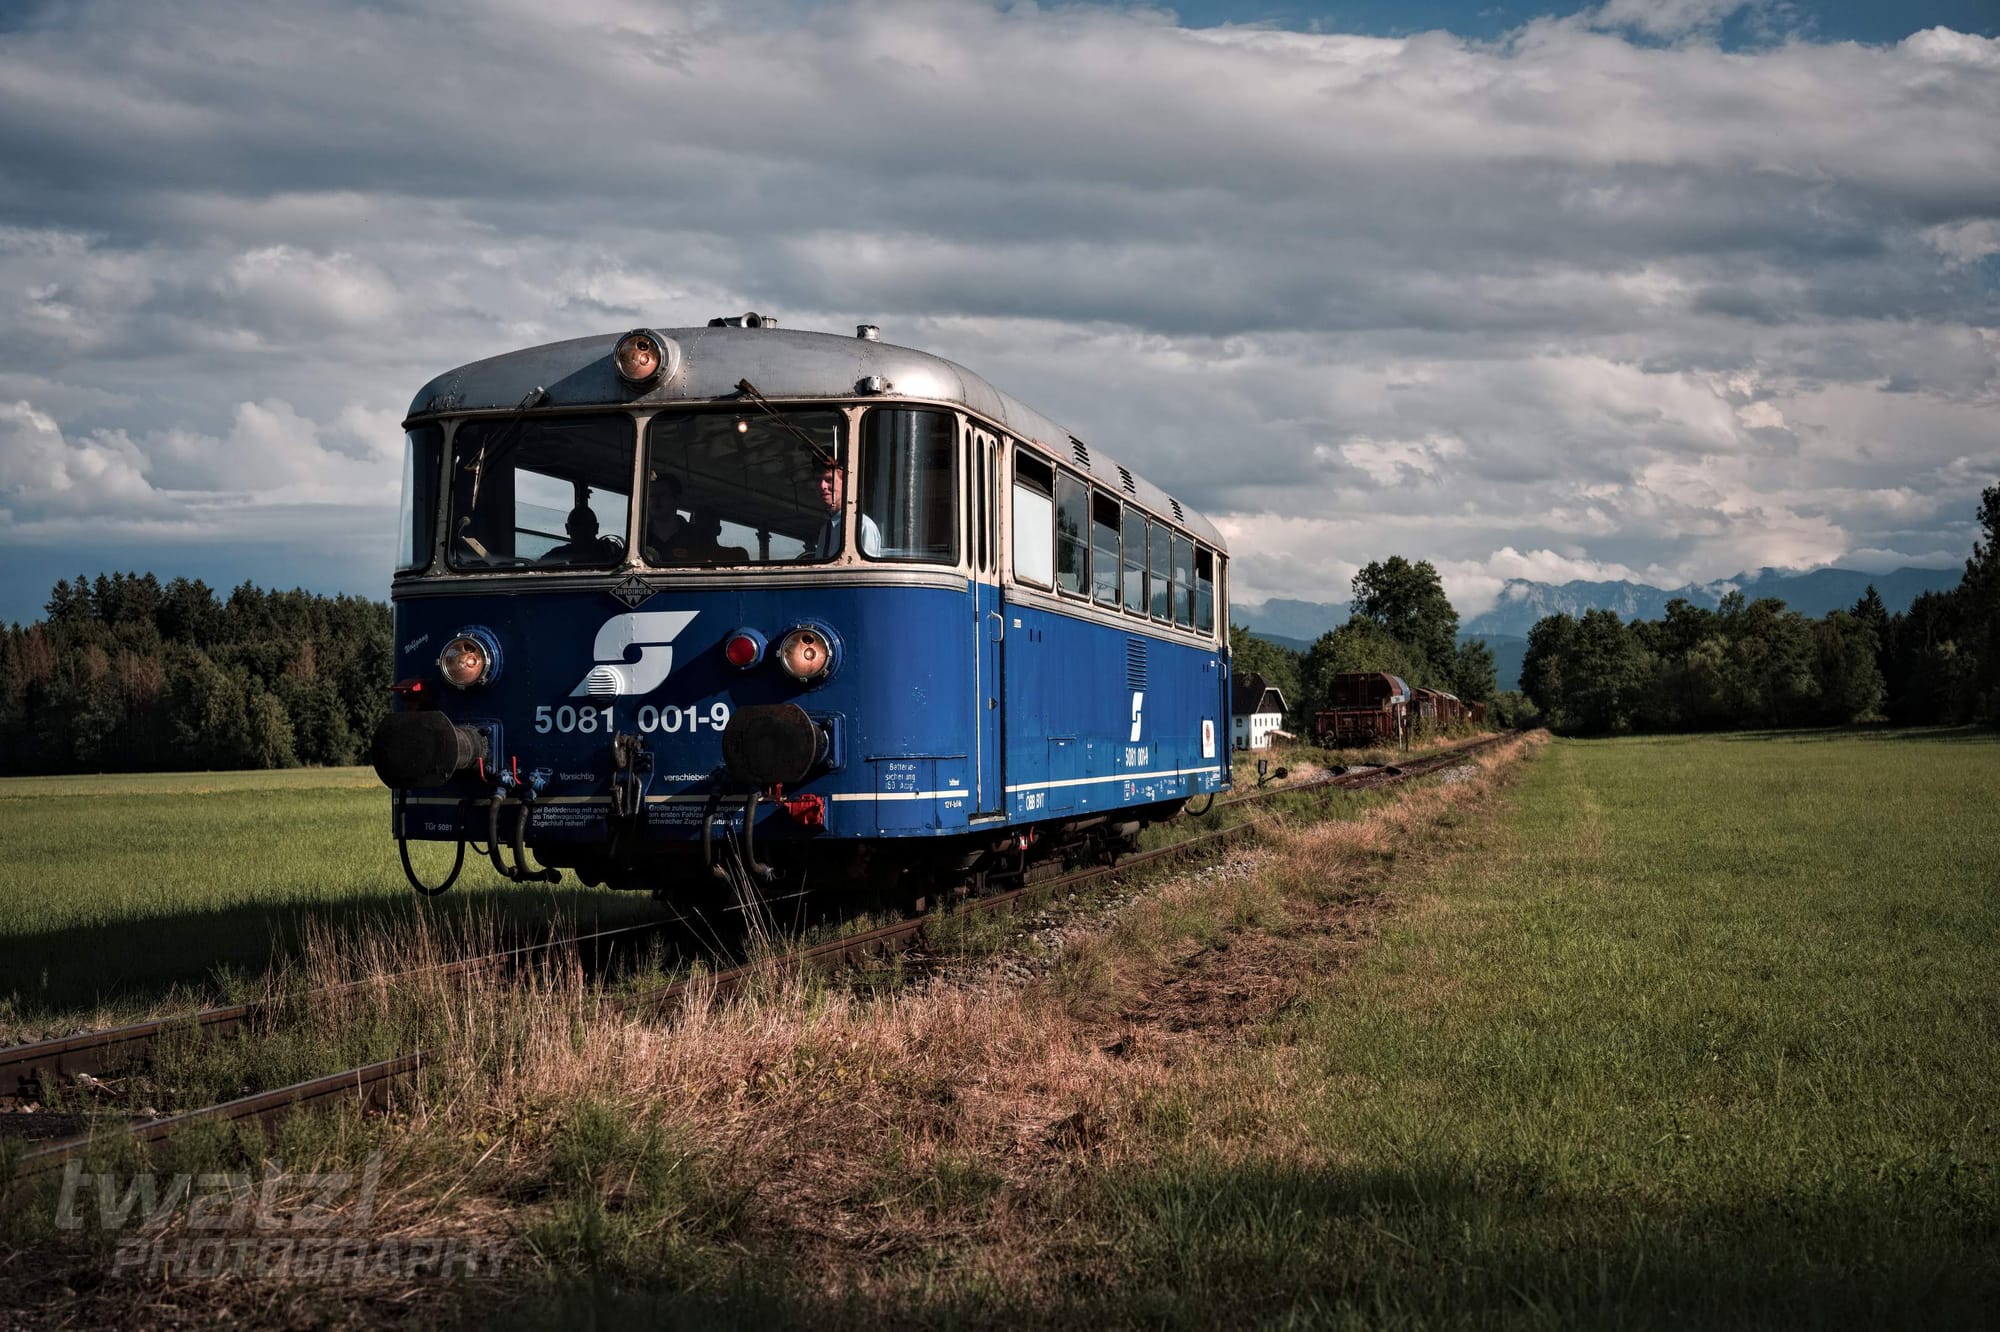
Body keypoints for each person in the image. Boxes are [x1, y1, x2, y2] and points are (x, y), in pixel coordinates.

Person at [813, 458, 883, 559]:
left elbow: (865, 572)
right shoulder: (826, 530)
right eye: (818, 480)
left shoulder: (863, 527)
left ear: (845, 482)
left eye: (829, 480)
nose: (822, 486)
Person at [545, 506, 621, 564]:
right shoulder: (557, 554)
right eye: (576, 524)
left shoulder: (611, 551)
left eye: (587, 524)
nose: (581, 528)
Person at [645, 471, 692, 561]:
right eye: (651, 496)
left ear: (676, 500)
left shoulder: (695, 538)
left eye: (662, 495)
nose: (655, 500)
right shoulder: (639, 537)